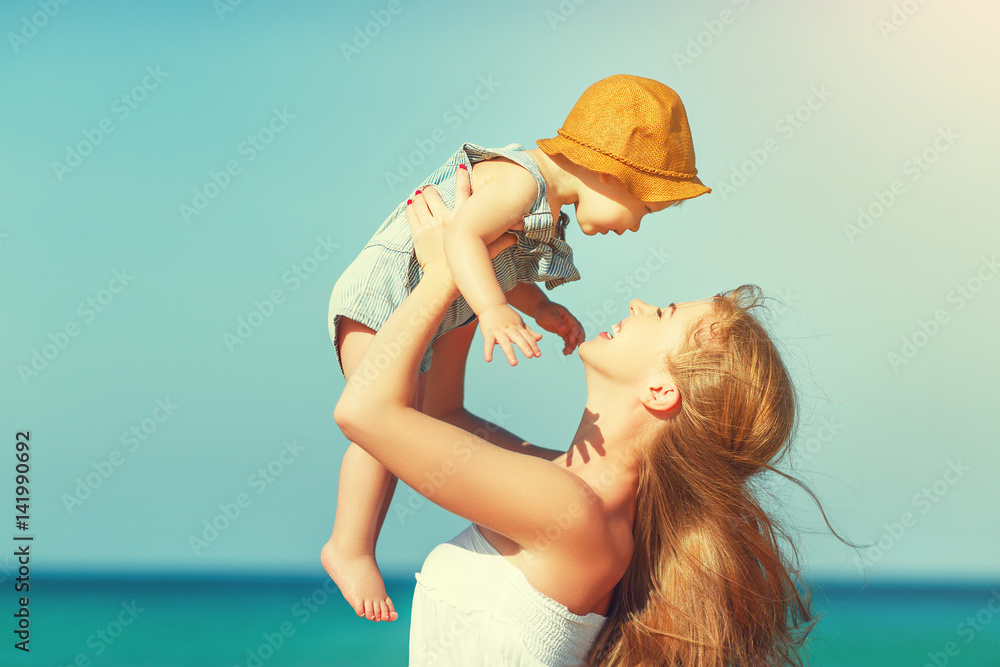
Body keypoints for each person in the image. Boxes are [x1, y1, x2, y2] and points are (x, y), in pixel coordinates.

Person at [333, 168, 822, 666]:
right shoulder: (569, 488)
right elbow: (442, 413)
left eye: (664, 313)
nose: (639, 303)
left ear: (660, 390)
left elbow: (363, 413)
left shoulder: (571, 512)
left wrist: (440, 275)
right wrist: (475, 264)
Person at [323, 74, 713, 622]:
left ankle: (353, 544)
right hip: (384, 297)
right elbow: (460, 239)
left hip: (426, 299)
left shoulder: (540, 205)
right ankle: (350, 545)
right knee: (384, 422)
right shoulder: (521, 186)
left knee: (404, 414)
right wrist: (491, 310)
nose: (636, 226)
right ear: (608, 173)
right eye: (643, 209)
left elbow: (497, 257)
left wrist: (539, 308)